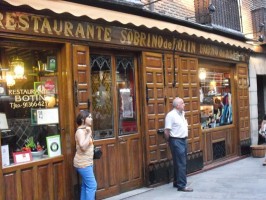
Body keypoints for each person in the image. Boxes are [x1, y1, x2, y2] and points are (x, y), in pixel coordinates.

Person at [164, 97, 193, 192]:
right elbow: (167, 130)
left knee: (179, 162)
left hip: (183, 139)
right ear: (177, 105)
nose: (184, 104)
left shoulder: (182, 113)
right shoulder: (170, 115)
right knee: (181, 163)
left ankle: (177, 182)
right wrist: (169, 141)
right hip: (176, 140)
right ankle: (182, 185)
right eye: (182, 103)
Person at [73, 110, 97, 200]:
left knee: (85, 186)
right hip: (82, 163)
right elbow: (83, 146)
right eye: (89, 117)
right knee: (92, 185)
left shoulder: (85, 130)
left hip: (87, 162)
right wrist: (89, 134)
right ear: (83, 119)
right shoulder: (80, 131)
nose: (91, 119)